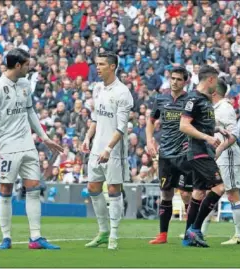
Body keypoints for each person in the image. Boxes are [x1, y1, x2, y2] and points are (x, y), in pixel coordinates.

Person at [0, 48, 64, 250]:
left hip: (27, 145)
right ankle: (6, 237)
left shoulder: (24, 84)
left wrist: (45, 137)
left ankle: (36, 237)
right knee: (6, 189)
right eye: (28, 64)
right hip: (7, 146)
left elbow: (30, 111)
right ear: (18, 65)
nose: (31, 67)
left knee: (34, 188)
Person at [81, 51, 134, 250]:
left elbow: (121, 127)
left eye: (102, 64)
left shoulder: (122, 92)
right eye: (97, 63)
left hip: (114, 150)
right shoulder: (98, 89)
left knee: (113, 189)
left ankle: (114, 234)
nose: (98, 67)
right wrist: (88, 137)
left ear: (112, 66)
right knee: (93, 188)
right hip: (96, 148)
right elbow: (95, 119)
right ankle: (103, 231)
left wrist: (109, 148)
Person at [179, 65, 228, 248]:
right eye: (216, 80)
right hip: (198, 150)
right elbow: (184, 125)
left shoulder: (206, 100)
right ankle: (195, 229)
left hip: (204, 150)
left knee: (198, 193)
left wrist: (216, 129)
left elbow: (200, 124)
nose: (217, 85)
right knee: (219, 187)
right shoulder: (193, 98)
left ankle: (187, 236)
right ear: (210, 79)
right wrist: (208, 137)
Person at [147, 67, 193, 244]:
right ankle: (163, 235)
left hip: (184, 154)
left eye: (179, 79)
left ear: (185, 82)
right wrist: (150, 140)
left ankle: (191, 232)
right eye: (172, 78)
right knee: (166, 193)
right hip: (165, 154)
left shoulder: (191, 100)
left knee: (186, 194)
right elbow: (151, 122)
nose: (174, 82)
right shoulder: (161, 99)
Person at [201, 78, 240, 245]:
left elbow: (233, 135)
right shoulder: (214, 108)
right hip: (217, 156)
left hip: (228, 155)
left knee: (232, 193)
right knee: (210, 193)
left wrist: (217, 151)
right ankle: (199, 231)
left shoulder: (225, 108)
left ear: (214, 92)